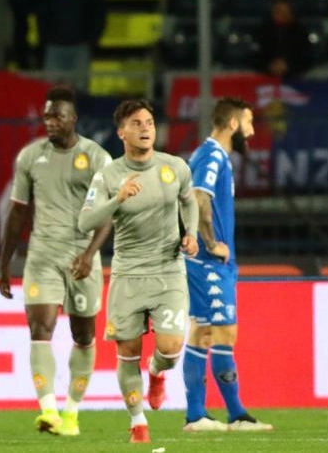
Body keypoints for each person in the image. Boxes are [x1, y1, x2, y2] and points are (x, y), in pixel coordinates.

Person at [77, 99, 199, 443]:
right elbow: (85, 221)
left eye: (149, 122)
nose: (146, 128)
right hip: (128, 275)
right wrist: (117, 199)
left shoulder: (175, 167)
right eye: (137, 123)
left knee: (171, 347)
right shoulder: (109, 175)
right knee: (127, 352)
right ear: (121, 132)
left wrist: (190, 233)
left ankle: (158, 373)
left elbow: (188, 200)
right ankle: (137, 422)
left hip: (168, 270)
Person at [0, 85, 112, 436]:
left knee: (84, 334)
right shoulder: (30, 157)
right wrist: (4, 264)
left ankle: (72, 412)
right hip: (43, 254)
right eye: (46, 115)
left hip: (81, 256)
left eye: (57, 115)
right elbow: (18, 212)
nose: (50, 121)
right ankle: (49, 410)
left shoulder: (97, 157)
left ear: (73, 119)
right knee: (40, 329)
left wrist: (91, 255)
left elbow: (107, 214)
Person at [182, 97, 274, 432]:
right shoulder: (212, 154)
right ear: (233, 124)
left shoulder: (213, 155)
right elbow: (199, 196)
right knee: (222, 333)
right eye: (248, 123)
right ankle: (235, 415)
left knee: (202, 333)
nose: (251, 132)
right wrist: (210, 243)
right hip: (208, 262)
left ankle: (197, 415)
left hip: (209, 262)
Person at [39, 0, 106, 91]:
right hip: (55, 46)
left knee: (80, 91)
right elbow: (43, 14)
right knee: (51, 92)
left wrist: (92, 41)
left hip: (80, 47)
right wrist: (46, 38)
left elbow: (99, 15)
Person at [255, 0, 311, 80]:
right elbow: (253, 56)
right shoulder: (262, 31)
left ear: (291, 13)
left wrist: (288, 66)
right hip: (264, 77)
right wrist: (269, 66)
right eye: (277, 11)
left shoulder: (300, 32)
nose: (280, 14)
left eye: (284, 12)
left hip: (295, 79)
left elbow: (307, 58)